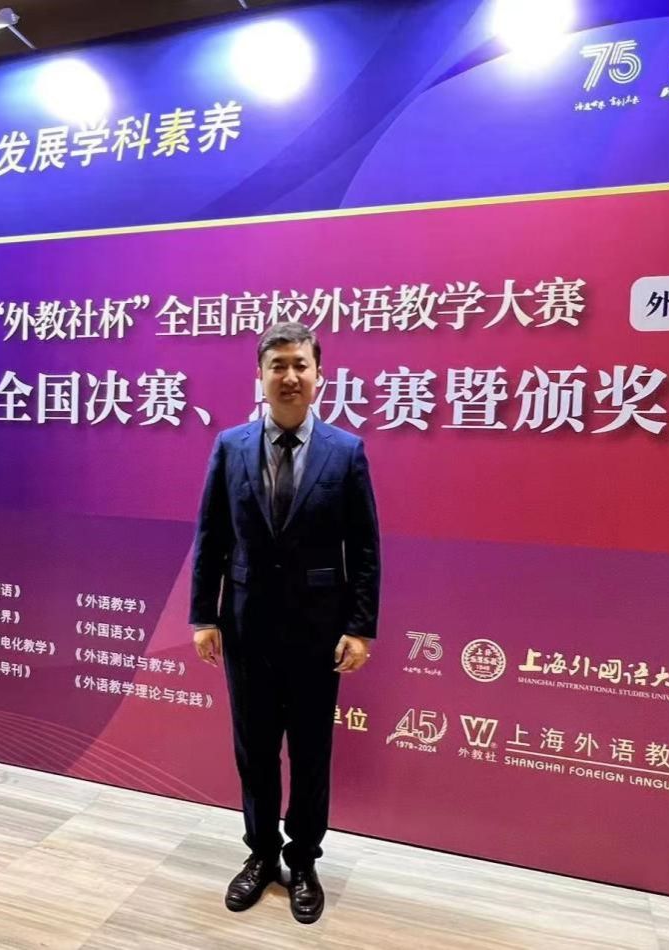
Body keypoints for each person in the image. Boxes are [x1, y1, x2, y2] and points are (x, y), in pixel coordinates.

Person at [190, 321, 381, 924]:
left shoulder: (345, 452)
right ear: (260, 376)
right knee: (254, 750)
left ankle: (303, 861)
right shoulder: (230, 446)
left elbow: (364, 547)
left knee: (311, 752)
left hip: (318, 633)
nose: (290, 376)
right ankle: (261, 853)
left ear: (319, 375)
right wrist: (203, 615)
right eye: (278, 365)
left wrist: (360, 626)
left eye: (301, 364)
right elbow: (211, 537)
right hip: (245, 627)